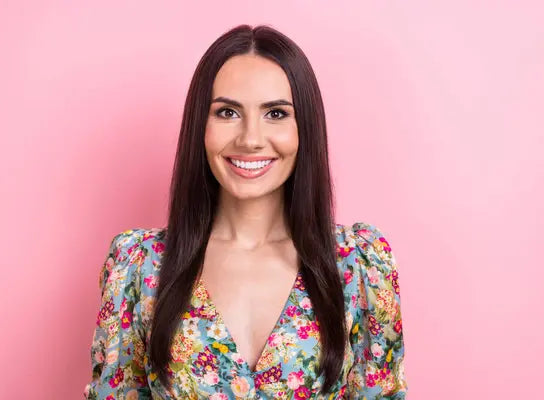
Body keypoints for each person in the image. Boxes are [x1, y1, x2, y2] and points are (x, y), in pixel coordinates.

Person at [84, 24, 407, 400]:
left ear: (304, 128)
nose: (250, 139)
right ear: (200, 126)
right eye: (227, 112)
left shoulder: (358, 265)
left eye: (276, 113)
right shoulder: (138, 267)